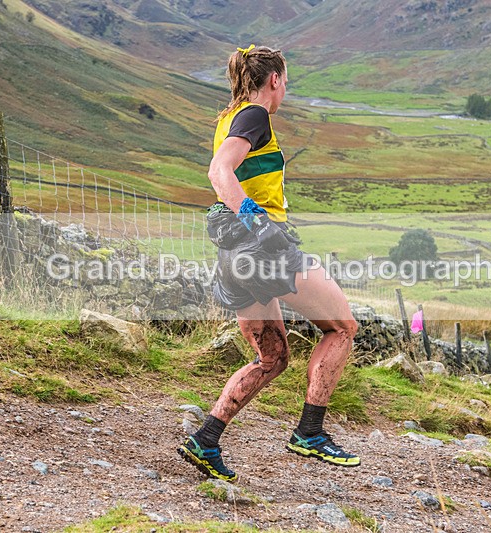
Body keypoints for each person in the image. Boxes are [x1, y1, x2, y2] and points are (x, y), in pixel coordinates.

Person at [177, 45, 361, 482]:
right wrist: (257, 220)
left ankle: (206, 439)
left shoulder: (229, 117)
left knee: (273, 357)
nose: (285, 90)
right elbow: (219, 172)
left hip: (233, 258)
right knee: (343, 328)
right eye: (286, 82)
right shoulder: (256, 115)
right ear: (274, 79)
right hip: (263, 250)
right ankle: (310, 432)